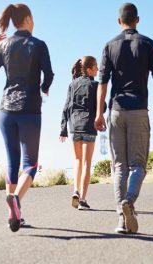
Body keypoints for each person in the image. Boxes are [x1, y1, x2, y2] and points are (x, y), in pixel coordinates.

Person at [95, 3, 153, 234]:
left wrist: (98, 113)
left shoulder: (109, 45)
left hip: (115, 110)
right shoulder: (147, 43)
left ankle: (121, 220)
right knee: (138, 165)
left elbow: (102, 84)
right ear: (138, 19)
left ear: (119, 21)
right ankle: (130, 201)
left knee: (119, 167)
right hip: (138, 109)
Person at [0, 3, 54, 232]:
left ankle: (13, 216)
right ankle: (16, 201)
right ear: (29, 18)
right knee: (30, 165)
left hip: (5, 111)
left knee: (12, 164)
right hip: (29, 110)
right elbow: (49, 74)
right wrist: (45, 87)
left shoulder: (3, 44)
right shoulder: (39, 44)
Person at [60, 56, 103, 210]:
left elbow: (66, 107)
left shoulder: (72, 84)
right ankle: (83, 200)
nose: (98, 69)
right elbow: (102, 106)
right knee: (86, 163)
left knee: (77, 160)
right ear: (89, 69)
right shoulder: (96, 85)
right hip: (88, 126)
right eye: (96, 67)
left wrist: (63, 129)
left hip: (74, 126)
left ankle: (75, 190)